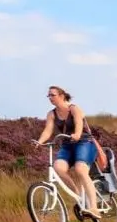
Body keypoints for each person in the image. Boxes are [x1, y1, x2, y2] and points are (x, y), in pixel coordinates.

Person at [34, 85, 102, 215]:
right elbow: (48, 130)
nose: (50, 98)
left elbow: (79, 123)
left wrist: (77, 134)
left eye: (52, 95)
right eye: (48, 95)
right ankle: (78, 195)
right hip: (67, 145)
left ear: (62, 96)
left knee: (80, 169)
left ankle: (94, 207)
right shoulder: (52, 114)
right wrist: (40, 142)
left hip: (84, 142)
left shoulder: (74, 109)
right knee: (58, 168)